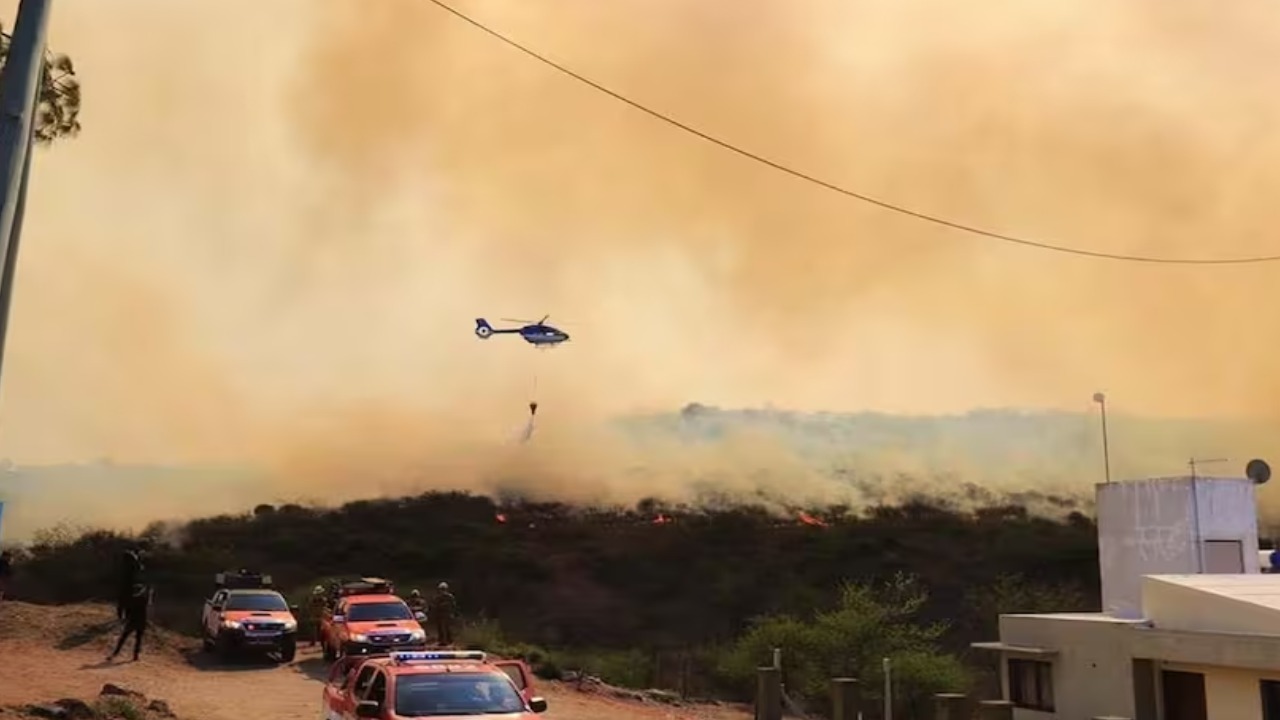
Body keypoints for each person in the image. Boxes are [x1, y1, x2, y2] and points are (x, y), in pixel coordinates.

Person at [109, 583, 152, 662]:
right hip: (141, 621)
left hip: (132, 621)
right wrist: (149, 591)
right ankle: (135, 656)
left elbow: (124, 609)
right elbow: (149, 601)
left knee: (123, 638)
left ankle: (115, 653)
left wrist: (123, 618)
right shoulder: (143, 599)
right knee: (138, 639)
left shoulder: (131, 599)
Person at [116, 544, 144, 621]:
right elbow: (139, 570)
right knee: (128, 601)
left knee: (122, 601)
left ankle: (121, 616)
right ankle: (127, 616)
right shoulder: (133, 560)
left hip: (123, 583)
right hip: (130, 583)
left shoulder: (124, 561)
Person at [429, 582, 457, 646]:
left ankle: (448, 640)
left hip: (446, 614)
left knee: (446, 628)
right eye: (442, 589)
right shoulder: (438, 597)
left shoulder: (449, 597)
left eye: (443, 589)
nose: (442, 590)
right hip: (440, 614)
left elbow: (453, 606)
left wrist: (453, 613)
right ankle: (442, 640)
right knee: (441, 628)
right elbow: (434, 606)